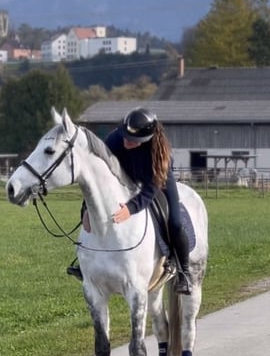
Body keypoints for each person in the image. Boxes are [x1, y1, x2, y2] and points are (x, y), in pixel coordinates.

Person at [67, 107, 193, 295]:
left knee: (174, 221)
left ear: (146, 139)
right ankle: (86, 264)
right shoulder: (115, 139)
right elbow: (98, 179)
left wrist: (130, 209)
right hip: (125, 177)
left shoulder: (160, 154)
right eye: (124, 135)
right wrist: (86, 209)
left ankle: (184, 271)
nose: (126, 141)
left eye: (132, 140)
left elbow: (150, 190)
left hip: (158, 180)